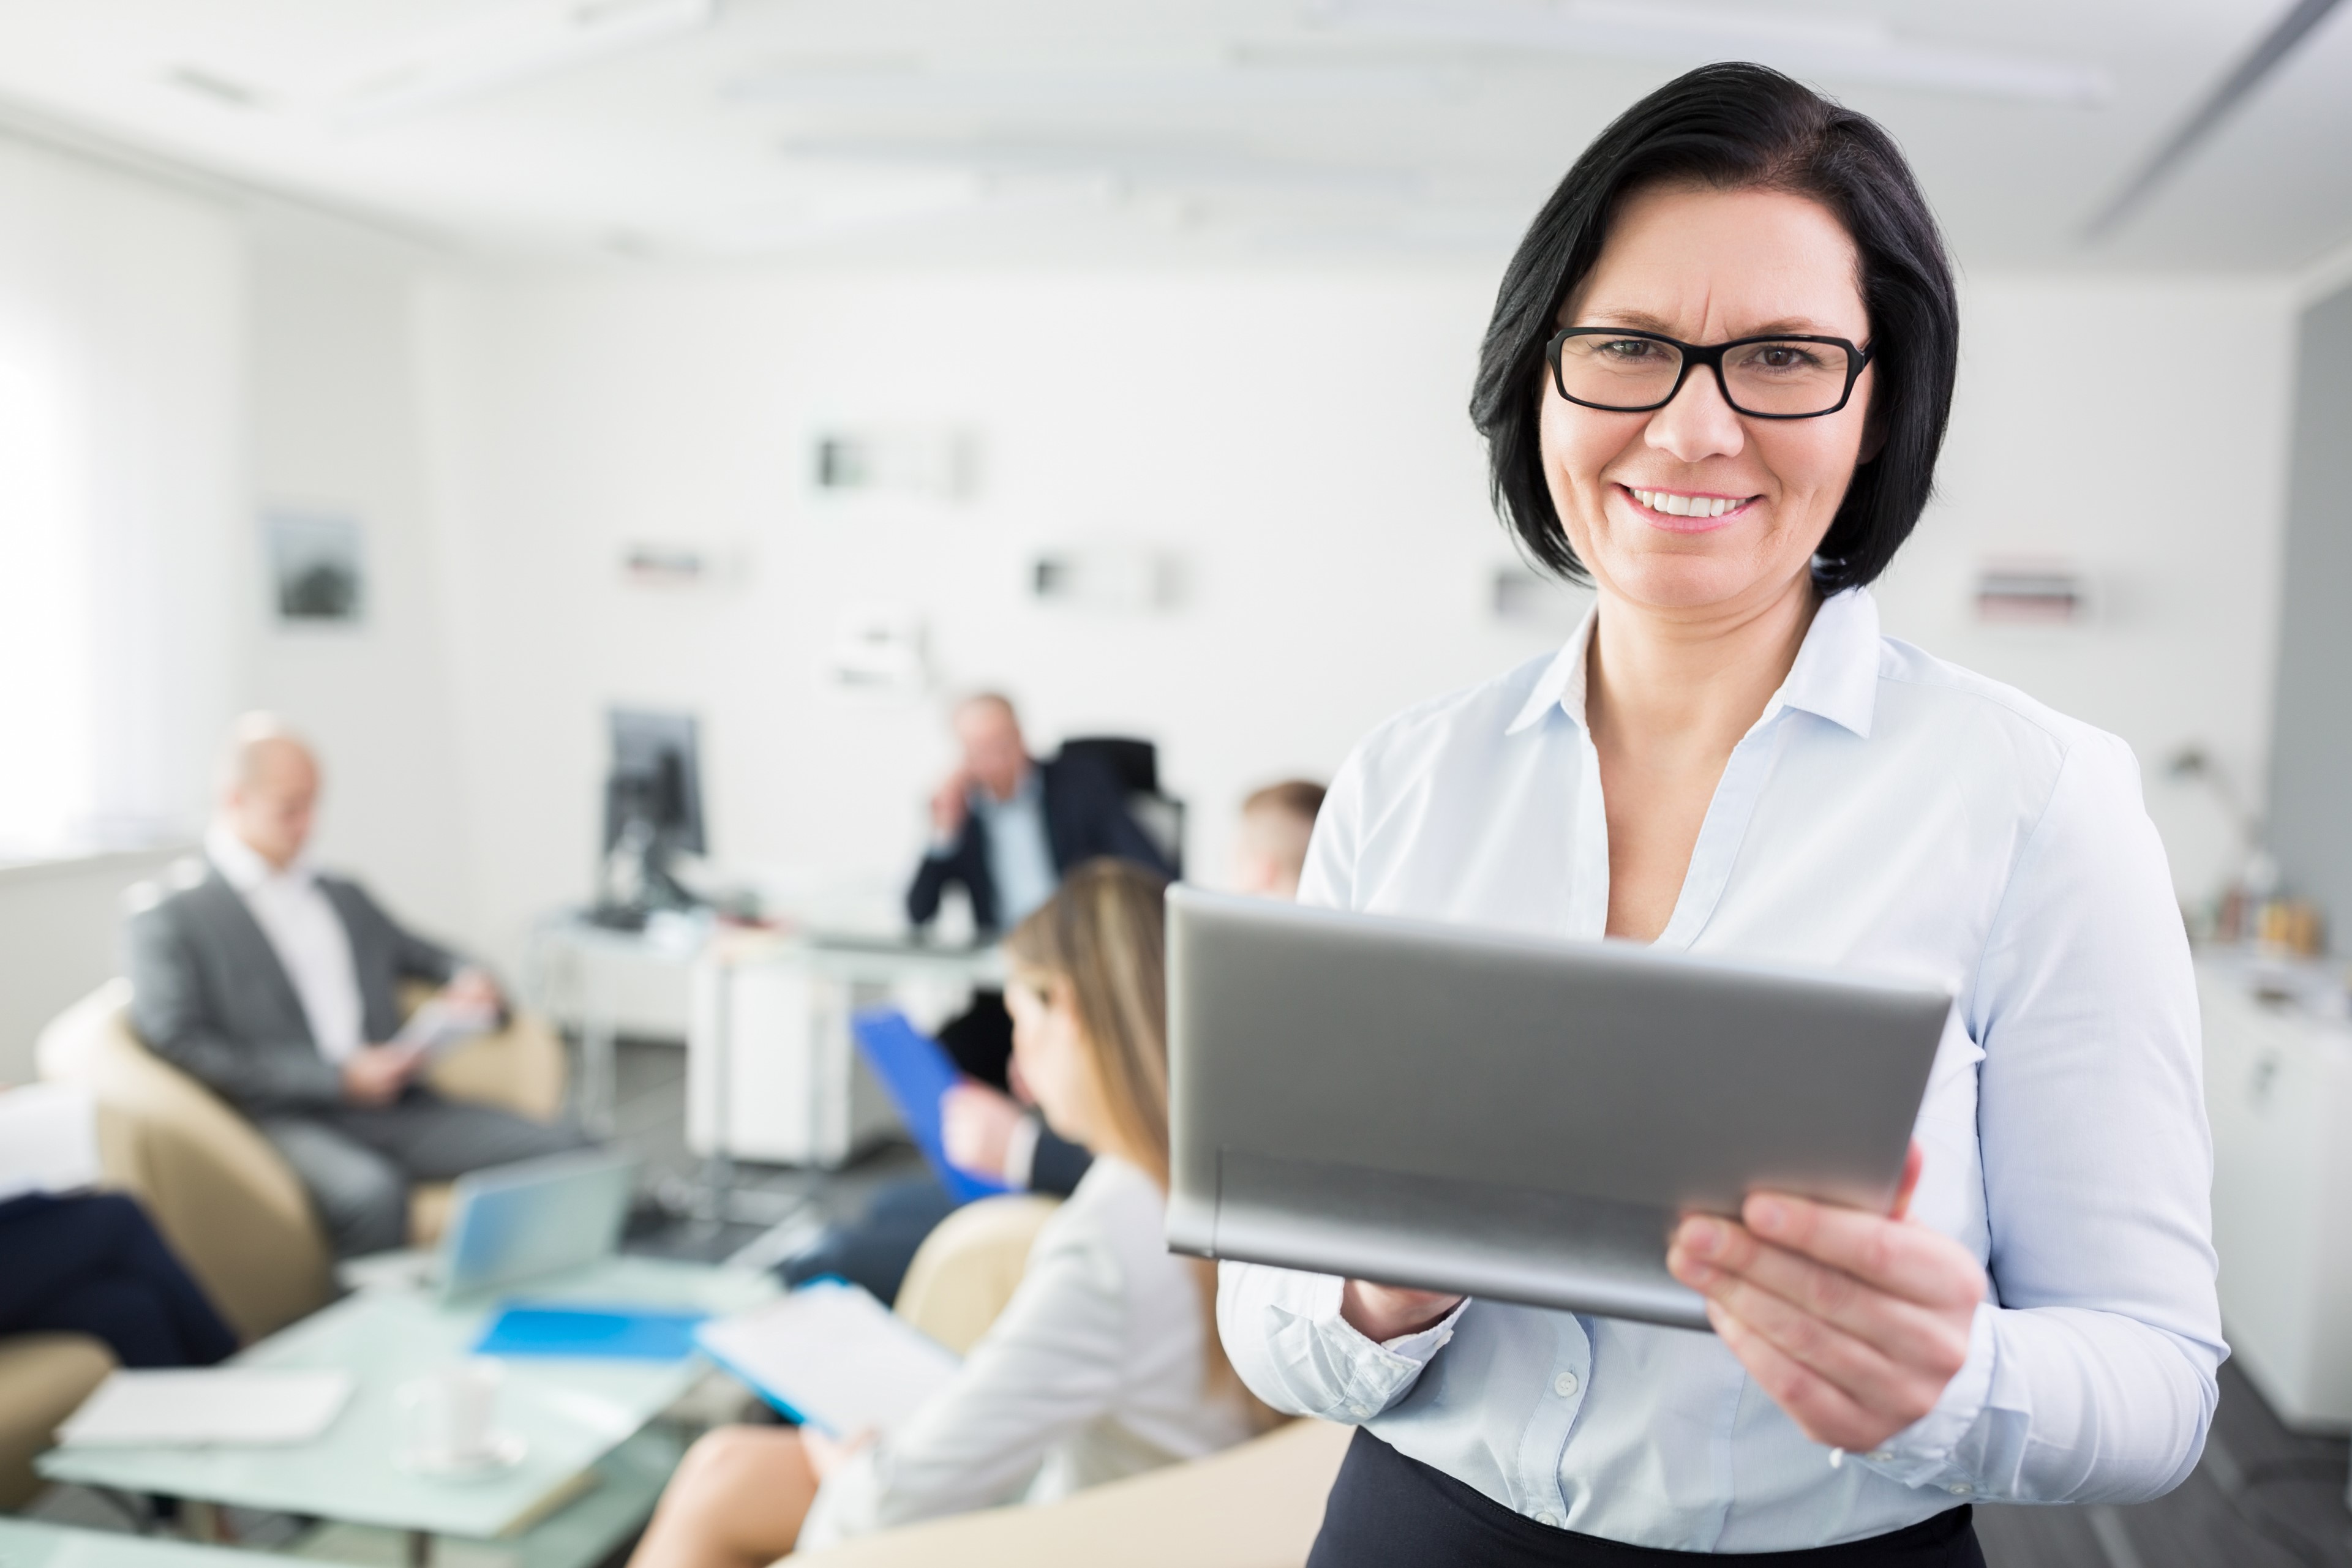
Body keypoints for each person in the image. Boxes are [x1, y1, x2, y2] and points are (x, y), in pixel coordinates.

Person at [1219, 63, 2222, 1566]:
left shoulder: (2032, 798)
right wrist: (1374, 1288)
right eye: (1626, 344)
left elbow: (2154, 1380)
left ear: (1876, 402)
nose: (1690, 429)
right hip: (1413, 1526)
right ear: (1537, 369)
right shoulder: (1405, 778)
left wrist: (1948, 1377)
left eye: (1779, 356)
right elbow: (1265, 1317)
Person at [630, 860, 1262, 1568]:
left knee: (730, 1482)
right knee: (725, 1468)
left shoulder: (1108, 1243)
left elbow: (891, 1503)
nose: (1018, 1061)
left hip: (1085, 1530)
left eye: (1022, 1020)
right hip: (1167, 1506)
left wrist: (851, 1469)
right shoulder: (1225, 1183)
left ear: (1072, 1014)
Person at [124, 715, 591, 1258]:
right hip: (288, 1117)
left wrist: (470, 980)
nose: (308, 825)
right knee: (371, 1196)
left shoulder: (341, 893)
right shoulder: (172, 915)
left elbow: (430, 952)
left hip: (398, 1107)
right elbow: (180, 1043)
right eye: (290, 808)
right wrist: (336, 1078)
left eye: (314, 804)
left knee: (569, 1148)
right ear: (234, 800)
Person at [938, 776, 1325, 1185]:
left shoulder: (1238, 999)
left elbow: (1173, 1160)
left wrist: (1024, 1149)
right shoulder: (1321, 999)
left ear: (1258, 870)